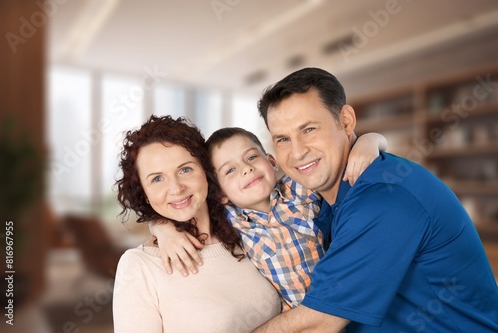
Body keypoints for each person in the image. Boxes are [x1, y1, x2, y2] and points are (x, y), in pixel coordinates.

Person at [253, 67, 498, 332]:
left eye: (309, 129)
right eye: (283, 139)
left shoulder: (382, 199)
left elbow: (316, 324)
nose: (298, 152)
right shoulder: (319, 197)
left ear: (346, 121)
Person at [151, 126, 387, 310]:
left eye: (252, 157)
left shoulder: (298, 190)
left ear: (272, 162)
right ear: (220, 193)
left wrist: (369, 141)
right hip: (301, 318)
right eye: (230, 170)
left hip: (349, 301)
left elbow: (349, 154)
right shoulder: (230, 219)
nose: (246, 169)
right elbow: (181, 209)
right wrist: (162, 229)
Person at [112, 115, 281, 333]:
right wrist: (161, 227)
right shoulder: (139, 265)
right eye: (157, 179)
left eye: (185, 170)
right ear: (144, 193)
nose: (176, 188)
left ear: (206, 172)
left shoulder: (246, 230)